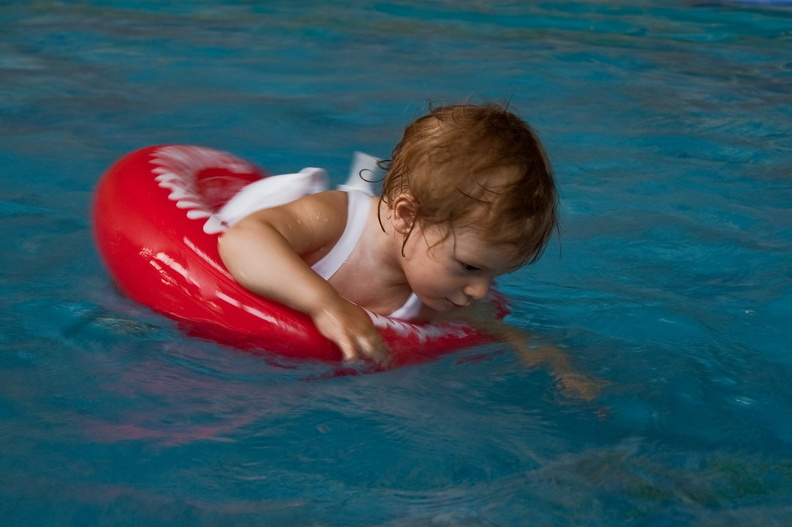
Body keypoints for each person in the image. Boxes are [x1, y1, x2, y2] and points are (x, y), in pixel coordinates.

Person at [218, 103, 558, 366]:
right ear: (406, 217)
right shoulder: (338, 221)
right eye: (470, 267)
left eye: (493, 273)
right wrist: (326, 305)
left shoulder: (438, 298)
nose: (481, 290)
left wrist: (532, 349)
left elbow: (487, 322)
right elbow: (244, 241)